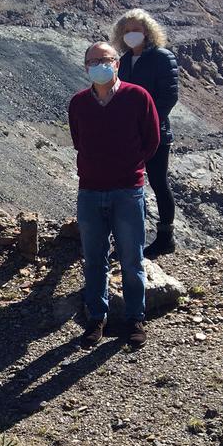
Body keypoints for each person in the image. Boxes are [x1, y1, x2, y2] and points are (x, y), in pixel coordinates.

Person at [69, 42, 161, 349]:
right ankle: (97, 318)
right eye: (92, 61)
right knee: (94, 259)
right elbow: (78, 140)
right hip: (90, 191)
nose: (98, 65)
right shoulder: (79, 103)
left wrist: (130, 167)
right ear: (86, 67)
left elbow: (152, 140)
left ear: (116, 64)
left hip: (127, 191)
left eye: (104, 60)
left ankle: (135, 318)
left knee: (131, 258)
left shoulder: (138, 97)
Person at [113, 9, 180, 258]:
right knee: (131, 186)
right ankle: (132, 239)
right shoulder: (123, 60)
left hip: (156, 135)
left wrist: (148, 125)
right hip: (128, 137)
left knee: (159, 183)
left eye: (136, 30)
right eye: (127, 30)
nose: (131, 35)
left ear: (148, 32)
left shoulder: (162, 57)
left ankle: (165, 238)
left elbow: (169, 96)